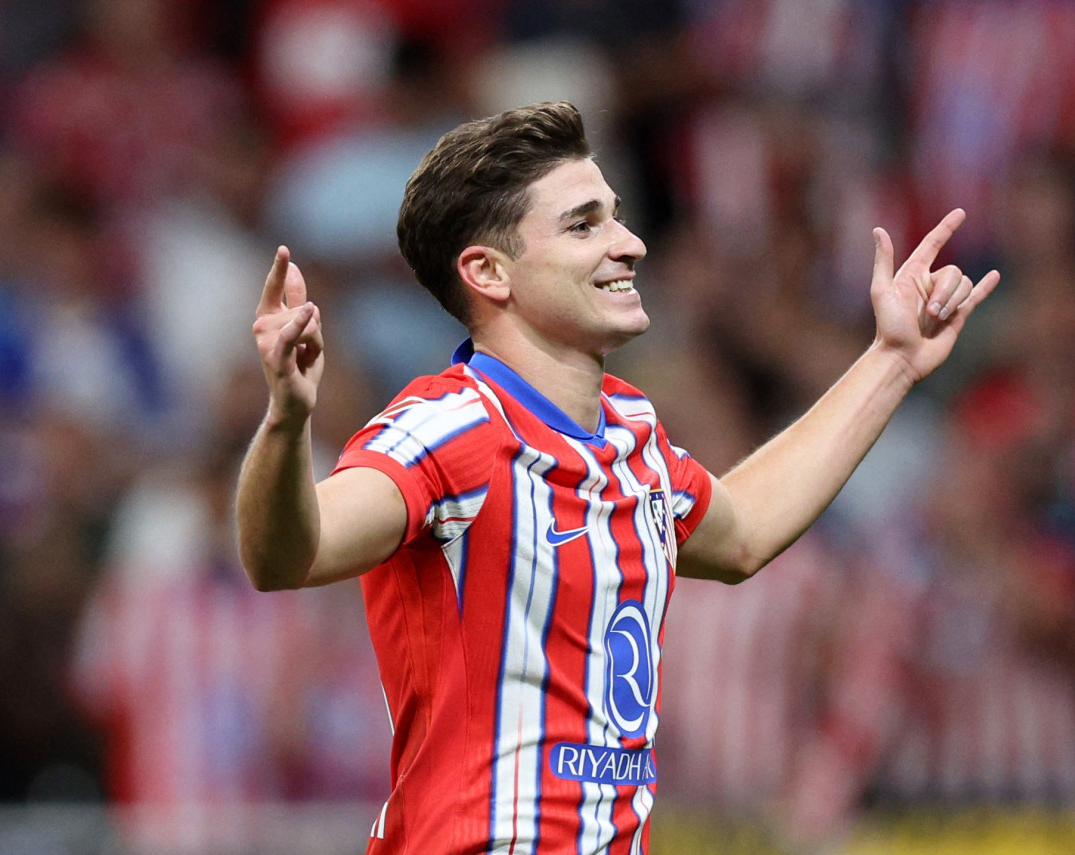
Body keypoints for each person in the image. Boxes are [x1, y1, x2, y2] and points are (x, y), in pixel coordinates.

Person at [235, 101, 999, 854]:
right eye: (583, 225)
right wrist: (286, 423)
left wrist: (891, 361)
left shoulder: (633, 434)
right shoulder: (447, 429)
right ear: (489, 271)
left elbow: (746, 533)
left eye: (617, 216)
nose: (629, 244)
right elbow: (286, 557)